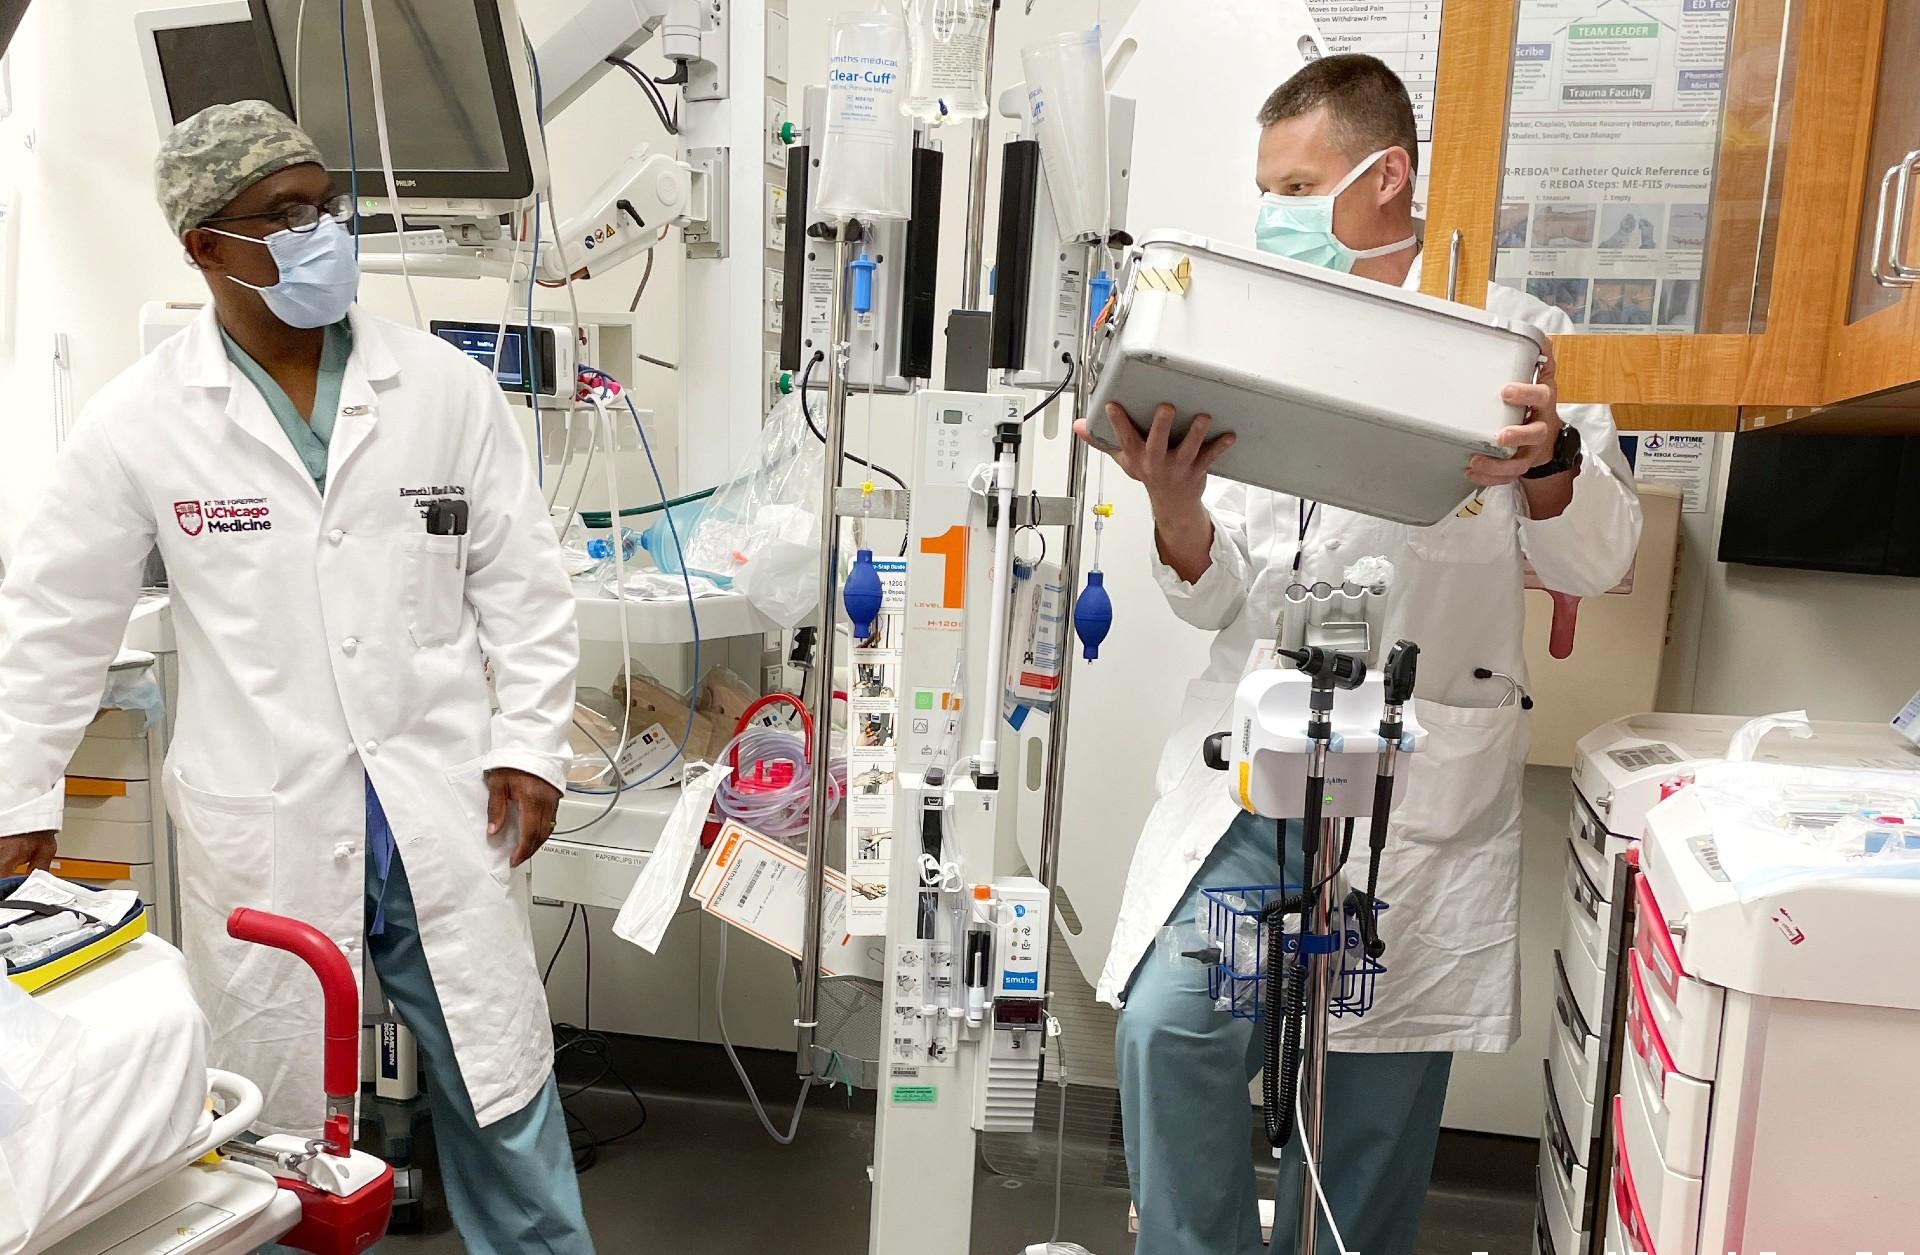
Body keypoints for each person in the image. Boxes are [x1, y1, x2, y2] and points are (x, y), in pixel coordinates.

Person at [0, 102, 592, 1253]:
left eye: (327, 205)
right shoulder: (142, 423)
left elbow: (523, 581)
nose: (321, 231)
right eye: (284, 215)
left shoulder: (440, 389)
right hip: (267, 809)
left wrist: (531, 741)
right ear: (205, 249)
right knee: (270, 1132)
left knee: (501, 1083)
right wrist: (16, 802)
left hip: (439, 798)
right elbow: (53, 620)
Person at [1077, 56, 1641, 1255]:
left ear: (1387, 177)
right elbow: (1216, 582)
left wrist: (1549, 472)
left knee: (1371, 1117)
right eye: (1267, 188)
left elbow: (1599, 559)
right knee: (1173, 1024)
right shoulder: (1249, 332)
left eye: (1296, 182)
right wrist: (1175, 506)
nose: (1274, 212)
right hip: (1258, 777)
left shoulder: (1514, 345)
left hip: (1413, 795)